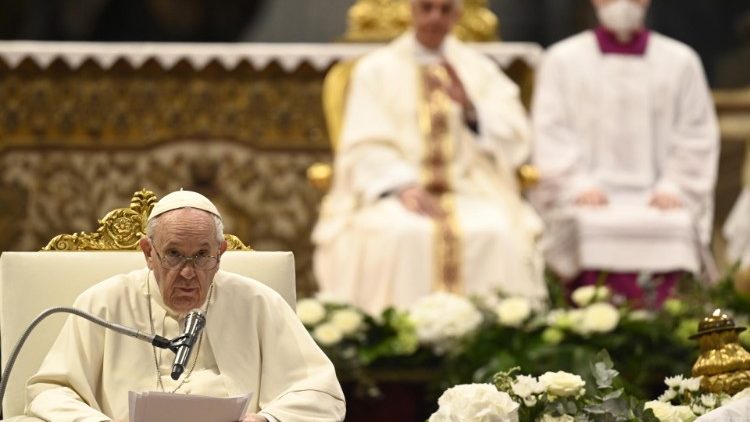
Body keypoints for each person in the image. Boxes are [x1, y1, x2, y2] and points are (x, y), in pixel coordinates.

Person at [24, 190, 346, 421]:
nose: (189, 272)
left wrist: (267, 420)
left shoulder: (259, 304)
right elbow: (49, 392)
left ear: (220, 253)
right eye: (174, 254)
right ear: (148, 253)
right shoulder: (103, 304)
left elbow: (322, 395)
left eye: (202, 255)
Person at [312, 0, 547, 316]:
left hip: (471, 189)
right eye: (427, 8)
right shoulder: (376, 70)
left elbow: (515, 136)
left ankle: (492, 341)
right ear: (411, 10)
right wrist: (402, 185)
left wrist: (471, 110)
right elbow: (364, 143)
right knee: (398, 234)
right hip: (398, 192)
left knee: (496, 233)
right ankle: (393, 340)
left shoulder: (480, 70)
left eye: (445, 9)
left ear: (458, 15)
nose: (435, 18)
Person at [530, 0, 719, 307]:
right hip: (586, 195)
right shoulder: (562, 60)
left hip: (660, 196)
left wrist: (675, 185)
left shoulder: (681, 61)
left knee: (676, 225)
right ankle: (586, 327)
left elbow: (695, 133)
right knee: (587, 226)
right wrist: (577, 184)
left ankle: (668, 335)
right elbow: (550, 132)